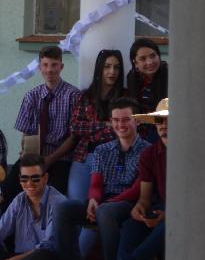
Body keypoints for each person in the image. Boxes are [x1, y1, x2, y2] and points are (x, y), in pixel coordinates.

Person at [47, 98, 148, 260]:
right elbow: (96, 183)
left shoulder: (146, 150)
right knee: (64, 208)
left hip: (130, 203)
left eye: (126, 119)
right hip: (104, 201)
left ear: (137, 121)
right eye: (116, 120)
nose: (120, 125)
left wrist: (103, 205)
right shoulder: (102, 150)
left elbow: (138, 189)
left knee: (105, 212)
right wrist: (93, 199)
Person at [94, 98, 168, 260]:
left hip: (183, 210)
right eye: (159, 121)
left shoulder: (188, 152)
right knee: (131, 223)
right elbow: (144, 197)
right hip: (159, 206)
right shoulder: (150, 154)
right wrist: (139, 209)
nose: (164, 126)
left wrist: (166, 214)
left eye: (169, 121)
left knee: (168, 226)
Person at [9, 45, 81, 197]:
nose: (49, 70)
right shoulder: (31, 96)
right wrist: (26, 151)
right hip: (34, 156)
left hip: (60, 157)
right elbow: (26, 133)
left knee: (51, 194)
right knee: (8, 188)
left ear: (61, 67)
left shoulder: (73, 96)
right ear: (39, 68)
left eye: (54, 65)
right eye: (45, 65)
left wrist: (49, 160)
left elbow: (74, 137)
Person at [66, 50, 126, 202]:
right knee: (75, 203)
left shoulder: (125, 97)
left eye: (116, 67)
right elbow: (75, 127)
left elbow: (120, 130)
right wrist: (104, 124)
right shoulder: (86, 96)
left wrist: (91, 131)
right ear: (100, 68)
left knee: (105, 204)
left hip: (113, 158)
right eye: (107, 66)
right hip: (84, 155)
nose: (112, 72)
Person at [126, 38, 168, 139]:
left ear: (159, 56)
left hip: (165, 129)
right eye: (143, 59)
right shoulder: (132, 77)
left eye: (153, 56)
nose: (150, 62)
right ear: (135, 63)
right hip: (140, 131)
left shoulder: (169, 74)